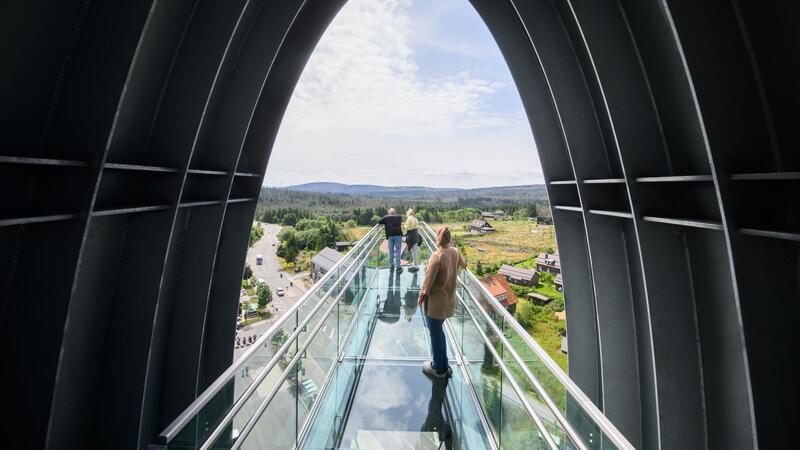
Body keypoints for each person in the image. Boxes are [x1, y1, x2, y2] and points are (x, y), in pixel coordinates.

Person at [418, 226, 466, 378]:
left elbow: (428, 280)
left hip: (435, 304)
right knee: (439, 332)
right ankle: (444, 364)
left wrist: (421, 296)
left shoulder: (437, 256)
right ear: (450, 238)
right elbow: (464, 265)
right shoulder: (455, 252)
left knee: (435, 334)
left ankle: (438, 369)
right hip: (448, 301)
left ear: (437, 239)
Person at [378, 208, 403, 272]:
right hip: (398, 236)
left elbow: (379, 221)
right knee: (398, 251)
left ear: (389, 212)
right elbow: (400, 218)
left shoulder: (386, 217)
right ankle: (398, 267)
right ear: (395, 212)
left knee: (391, 252)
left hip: (390, 236)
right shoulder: (399, 217)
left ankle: (391, 266)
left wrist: (387, 218)